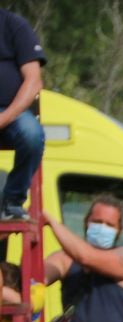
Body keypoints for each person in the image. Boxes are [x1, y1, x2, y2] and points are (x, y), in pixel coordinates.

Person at [0, 9, 45, 220]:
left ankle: (12, 202)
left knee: (32, 134)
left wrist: (5, 117)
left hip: (11, 112)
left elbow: (34, 80)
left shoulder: (14, 25)